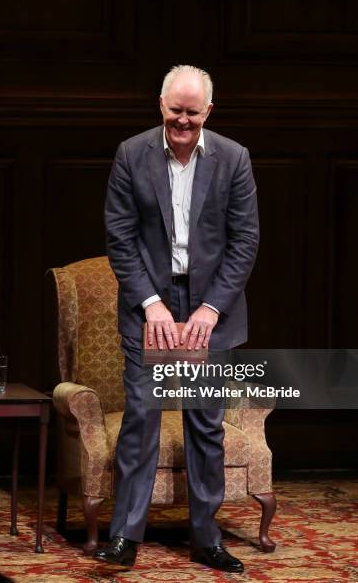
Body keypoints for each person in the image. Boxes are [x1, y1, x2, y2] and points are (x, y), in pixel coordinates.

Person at [94, 64, 259, 573]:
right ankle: (124, 537)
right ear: (159, 105)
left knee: (205, 423)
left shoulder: (234, 159)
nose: (182, 122)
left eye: (192, 113)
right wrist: (151, 304)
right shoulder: (131, 153)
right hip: (153, 306)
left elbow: (244, 241)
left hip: (210, 309)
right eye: (174, 112)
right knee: (142, 418)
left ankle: (207, 538)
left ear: (209, 111)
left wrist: (211, 310)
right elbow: (120, 238)